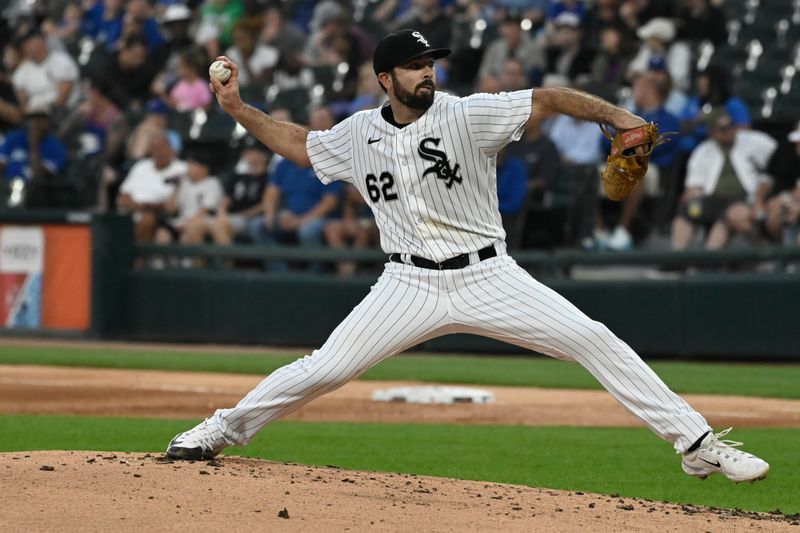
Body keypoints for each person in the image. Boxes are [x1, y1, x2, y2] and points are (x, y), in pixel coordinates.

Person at [166, 29, 770, 484]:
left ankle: (696, 445)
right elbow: (300, 144)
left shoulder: (466, 113)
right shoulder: (356, 134)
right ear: (385, 78)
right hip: (404, 283)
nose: (426, 73)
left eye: (430, 63)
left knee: (593, 336)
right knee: (323, 369)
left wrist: (618, 117)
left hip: (488, 274)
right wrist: (239, 112)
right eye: (414, 66)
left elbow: (546, 97)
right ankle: (219, 429)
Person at [671, 109, 777, 251]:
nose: (729, 131)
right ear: (712, 132)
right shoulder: (702, 152)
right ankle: (678, 259)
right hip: (713, 200)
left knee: (729, 217)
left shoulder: (755, 141)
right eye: (723, 129)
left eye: (731, 125)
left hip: (744, 198)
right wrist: (692, 196)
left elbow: (780, 156)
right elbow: (693, 186)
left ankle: (766, 253)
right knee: (687, 210)